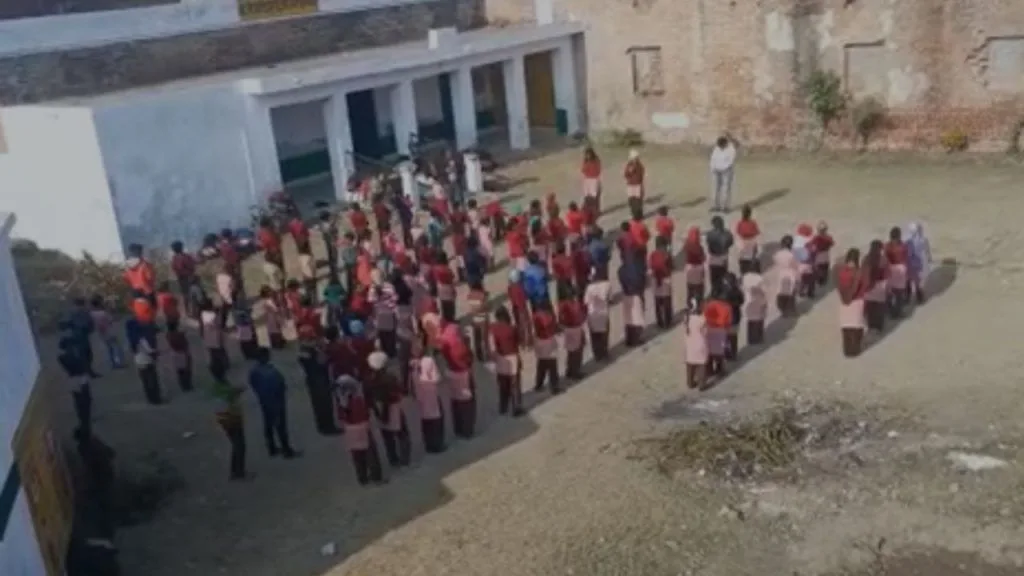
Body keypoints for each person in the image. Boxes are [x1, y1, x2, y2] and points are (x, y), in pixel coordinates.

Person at [248, 347, 298, 458]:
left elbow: (253, 384)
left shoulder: (254, 371)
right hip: (277, 402)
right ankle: (286, 450)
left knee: (268, 424)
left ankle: (271, 447)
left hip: (264, 401)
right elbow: (281, 385)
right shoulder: (272, 372)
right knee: (281, 426)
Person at [335, 374, 384, 485]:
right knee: (370, 453)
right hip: (362, 428)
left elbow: (341, 417)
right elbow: (365, 414)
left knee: (357, 454)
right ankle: (376, 477)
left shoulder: (341, 402)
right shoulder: (357, 400)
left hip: (350, 430)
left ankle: (362, 478)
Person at [368, 351, 411, 469]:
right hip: (393, 407)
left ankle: (393, 459)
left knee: (387, 436)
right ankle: (405, 459)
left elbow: (368, 397)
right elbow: (400, 390)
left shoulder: (369, 380)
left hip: (379, 409)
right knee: (402, 434)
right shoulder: (390, 378)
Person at [298, 325, 340, 435]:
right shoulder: (311, 349)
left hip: (313, 380)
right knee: (325, 404)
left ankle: (322, 426)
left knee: (317, 405)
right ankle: (328, 427)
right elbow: (322, 361)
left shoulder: (304, 349)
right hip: (319, 380)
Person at [210, 362, 247, 480]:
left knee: (236, 444)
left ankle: (235, 471)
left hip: (223, 418)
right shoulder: (224, 387)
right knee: (239, 445)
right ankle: (238, 472)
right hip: (231, 418)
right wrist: (240, 389)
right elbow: (232, 393)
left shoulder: (216, 386)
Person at [440, 323, 476, 438]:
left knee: (455, 401)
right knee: (467, 403)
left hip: (451, 373)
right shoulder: (460, 346)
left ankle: (458, 428)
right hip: (463, 374)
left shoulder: (445, 345)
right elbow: (470, 359)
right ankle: (467, 430)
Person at [410, 341, 447, 451]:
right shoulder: (429, 361)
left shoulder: (412, 364)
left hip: (420, 396)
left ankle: (428, 445)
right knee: (436, 421)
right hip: (431, 395)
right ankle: (437, 445)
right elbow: (436, 378)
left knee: (426, 422)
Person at [126, 299, 162, 405]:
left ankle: (150, 397)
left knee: (144, 375)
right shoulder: (147, 320)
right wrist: (151, 350)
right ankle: (156, 398)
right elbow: (145, 337)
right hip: (147, 350)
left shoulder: (131, 322)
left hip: (138, 352)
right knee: (151, 375)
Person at [490, 306, 523, 416]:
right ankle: (516, 407)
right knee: (515, 384)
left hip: (500, 359)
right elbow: (517, 342)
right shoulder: (512, 328)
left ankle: (503, 407)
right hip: (512, 357)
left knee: (503, 384)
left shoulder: (493, 328)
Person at [836, 248, 866, 357]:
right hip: (857, 301)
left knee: (846, 326)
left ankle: (847, 349)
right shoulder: (858, 272)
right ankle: (855, 349)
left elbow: (839, 286)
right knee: (857, 326)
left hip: (844, 302)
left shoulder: (841, 272)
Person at [60, 336, 92, 436]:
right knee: (85, 400)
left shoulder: (63, 357)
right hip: (81, 378)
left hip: (74, 379)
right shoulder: (78, 352)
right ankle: (85, 422)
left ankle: (83, 422)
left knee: (79, 402)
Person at [618, 248, 647, 347]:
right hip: (635, 294)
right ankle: (637, 338)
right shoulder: (636, 269)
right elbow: (641, 281)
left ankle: (629, 339)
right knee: (637, 318)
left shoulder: (621, 270)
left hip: (626, 295)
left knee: (628, 318)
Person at [532, 301, 561, 394]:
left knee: (541, 363)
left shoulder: (535, 316)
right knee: (552, 365)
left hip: (539, 341)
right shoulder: (548, 316)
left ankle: (539, 384)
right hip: (548, 340)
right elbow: (552, 328)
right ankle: (554, 386)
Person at [558, 287, 587, 380]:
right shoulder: (577, 305)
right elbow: (581, 316)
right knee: (577, 352)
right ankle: (576, 371)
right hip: (576, 328)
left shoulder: (562, 305)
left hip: (567, 329)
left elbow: (560, 318)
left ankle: (569, 370)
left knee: (570, 351)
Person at [584, 268, 612, 361]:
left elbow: (586, 302)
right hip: (604, 312)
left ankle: (597, 355)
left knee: (594, 336)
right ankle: (605, 352)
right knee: (604, 334)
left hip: (592, 314)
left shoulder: (589, 288)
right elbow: (610, 299)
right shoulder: (607, 285)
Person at [369, 270, 399, 356]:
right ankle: (392, 352)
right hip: (390, 313)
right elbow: (395, 299)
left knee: (382, 335)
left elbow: (371, 300)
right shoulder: (390, 286)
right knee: (391, 334)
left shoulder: (372, 288)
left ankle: (385, 353)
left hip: (379, 314)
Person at [704, 287, 732, 377]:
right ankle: (720, 370)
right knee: (719, 352)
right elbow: (728, 321)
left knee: (709, 352)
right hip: (721, 330)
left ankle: (709, 370)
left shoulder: (707, 305)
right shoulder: (726, 306)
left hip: (709, 330)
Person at [90, 295, 124, 369]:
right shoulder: (103, 313)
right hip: (109, 331)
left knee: (109, 348)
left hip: (102, 333)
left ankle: (113, 363)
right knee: (116, 347)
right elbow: (112, 319)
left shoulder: (92, 314)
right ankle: (118, 362)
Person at [862, 240, 889, 332]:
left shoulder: (866, 259)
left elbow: (862, 272)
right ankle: (878, 326)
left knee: (870, 306)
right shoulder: (883, 259)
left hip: (869, 285)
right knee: (879, 307)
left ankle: (870, 325)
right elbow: (887, 273)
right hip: (880, 285)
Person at [682, 299, 709, 390]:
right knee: (701, 364)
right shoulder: (702, 319)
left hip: (689, 345)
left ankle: (690, 382)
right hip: (700, 344)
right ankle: (702, 384)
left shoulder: (687, 318)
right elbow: (705, 332)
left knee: (690, 364)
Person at [170, 240, 200, 318]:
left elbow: (174, 268)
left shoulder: (174, 258)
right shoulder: (186, 257)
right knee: (193, 296)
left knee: (185, 296)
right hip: (189, 278)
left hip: (181, 279)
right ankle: (193, 312)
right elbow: (192, 266)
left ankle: (188, 312)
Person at [650, 236, 674, 329]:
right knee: (667, 300)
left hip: (656, 279)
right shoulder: (667, 254)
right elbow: (671, 266)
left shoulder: (653, 254)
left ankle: (659, 321)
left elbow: (651, 265)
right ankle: (668, 321)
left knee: (657, 301)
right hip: (665, 279)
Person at [885, 226, 909, 317]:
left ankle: (890, 310)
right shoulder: (903, 246)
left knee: (889, 292)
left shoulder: (887, 246)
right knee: (899, 292)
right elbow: (905, 259)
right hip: (900, 270)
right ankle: (898, 311)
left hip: (891, 269)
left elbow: (885, 259)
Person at [200, 298, 229, 373]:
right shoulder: (215, 315)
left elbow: (201, 326)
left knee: (213, 352)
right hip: (216, 335)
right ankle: (225, 364)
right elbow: (221, 323)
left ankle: (216, 364)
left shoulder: (203, 314)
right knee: (220, 350)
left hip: (208, 336)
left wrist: (202, 334)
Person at [906, 221, 932, 304]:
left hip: (910, 263)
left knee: (909, 280)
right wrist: (929, 259)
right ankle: (919, 297)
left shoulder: (907, 241)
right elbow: (927, 251)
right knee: (918, 281)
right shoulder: (923, 240)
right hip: (919, 263)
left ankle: (907, 296)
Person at [709, 135, 737, 213]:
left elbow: (730, 162)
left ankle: (725, 207)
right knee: (715, 188)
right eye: (719, 146)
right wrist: (713, 168)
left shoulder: (731, 149)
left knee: (726, 189)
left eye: (722, 146)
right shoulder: (716, 148)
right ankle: (716, 206)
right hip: (716, 171)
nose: (720, 147)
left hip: (726, 171)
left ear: (725, 144)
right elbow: (712, 159)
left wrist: (722, 168)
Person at [773, 235, 799, 316]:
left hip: (781, 273)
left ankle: (783, 309)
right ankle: (790, 310)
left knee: (781, 292)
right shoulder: (792, 255)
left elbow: (775, 261)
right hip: (791, 274)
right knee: (791, 293)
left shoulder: (777, 254)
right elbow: (795, 265)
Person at [706, 216, 734, 291]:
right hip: (723, 258)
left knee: (713, 278)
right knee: (723, 277)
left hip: (713, 259)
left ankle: (714, 292)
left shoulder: (710, 234)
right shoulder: (728, 234)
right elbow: (731, 243)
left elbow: (708, 243)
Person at [507, 269, 533, 348]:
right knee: (526, 325)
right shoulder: (520, 288)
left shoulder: (510, 287)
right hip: (522, 309)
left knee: (519, 325)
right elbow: (526, 297)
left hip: (515, 308)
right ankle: (528, 343)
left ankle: (522, 342)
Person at [722, 273, 745, 360]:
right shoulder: (737, 291)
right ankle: (733, 354)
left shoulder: (723, 291)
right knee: (733, 337)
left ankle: (727, 353)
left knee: (726, 337)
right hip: (735, 317)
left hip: (725, 318)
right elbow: (742, 301)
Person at [742, 268, 768, 345]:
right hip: (758, 300)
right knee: (759, 319)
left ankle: (751, 339)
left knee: (750, 320)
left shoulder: (746, 276)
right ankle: (758, 338)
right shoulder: (760, 278)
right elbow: (764, 290)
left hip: (748, 300)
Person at [683, 227, 707, 307]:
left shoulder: (687, 245)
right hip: (699, 268)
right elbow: (703, 258)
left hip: (689, 268)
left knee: (690, 287)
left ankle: (689, 304)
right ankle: (699, 305)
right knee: (699, 288)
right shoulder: (700, 248)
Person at [166, 325, 193, 392]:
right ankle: (187, 385)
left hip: (175, 354)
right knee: (187, 369)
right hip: (183, 353)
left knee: (180, 370)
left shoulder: (169, 336)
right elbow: (185, 345)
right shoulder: (180, 335)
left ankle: (183, 385)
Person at [466, 281, 489, 361]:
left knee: (477, 338)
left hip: (474, 319)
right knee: (484, 338)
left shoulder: (469, 296)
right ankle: (486, 354)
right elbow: (486, 307)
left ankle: (479, 355)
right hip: (483, 318)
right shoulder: (482, 296)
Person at [735, 205, 761, 274]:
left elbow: (738, 232)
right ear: (750, 214)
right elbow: (757, 233)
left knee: (742, 260)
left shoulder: (740, 223)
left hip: (743, 242)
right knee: (753, 258)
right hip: (751, 242)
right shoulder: (753, 223)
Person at [434, 251, 457, 323]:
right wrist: (454, 290)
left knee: (444, 305)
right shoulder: (447, 269)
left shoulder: (435, 268)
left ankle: (446, 320)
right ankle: (452, 320)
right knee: (451, 305)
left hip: (440, 287)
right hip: (448, 287)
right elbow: (452, 277)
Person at [794, 224, 817, 298]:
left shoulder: (795, 243)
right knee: (811, 281)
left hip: (799, 266)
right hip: (808, 266)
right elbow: (813, 253)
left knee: (801, 281)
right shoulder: (810, 244)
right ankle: (810, 293)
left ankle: (800, 292)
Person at [624, 148, 645, 219]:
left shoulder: (639, 165)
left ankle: (639, 214)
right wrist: (629, 171)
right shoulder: (629, 165)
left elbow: (641, 174)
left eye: (635, 158)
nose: (634, 159)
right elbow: (626, 174)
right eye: (633, 158)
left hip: (637, 184)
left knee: (638, 200)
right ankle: (633, 213)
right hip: (630, 184)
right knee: (631, 200)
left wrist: (634, 170)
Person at [812, 222, 835, 286]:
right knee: (825, 269)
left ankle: (819, 280)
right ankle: (823, 281)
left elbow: (813, 245)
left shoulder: (816, 238)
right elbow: (832, 244)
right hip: (826, 255)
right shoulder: (829, 237)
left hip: (818, 256)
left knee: (818, 269)